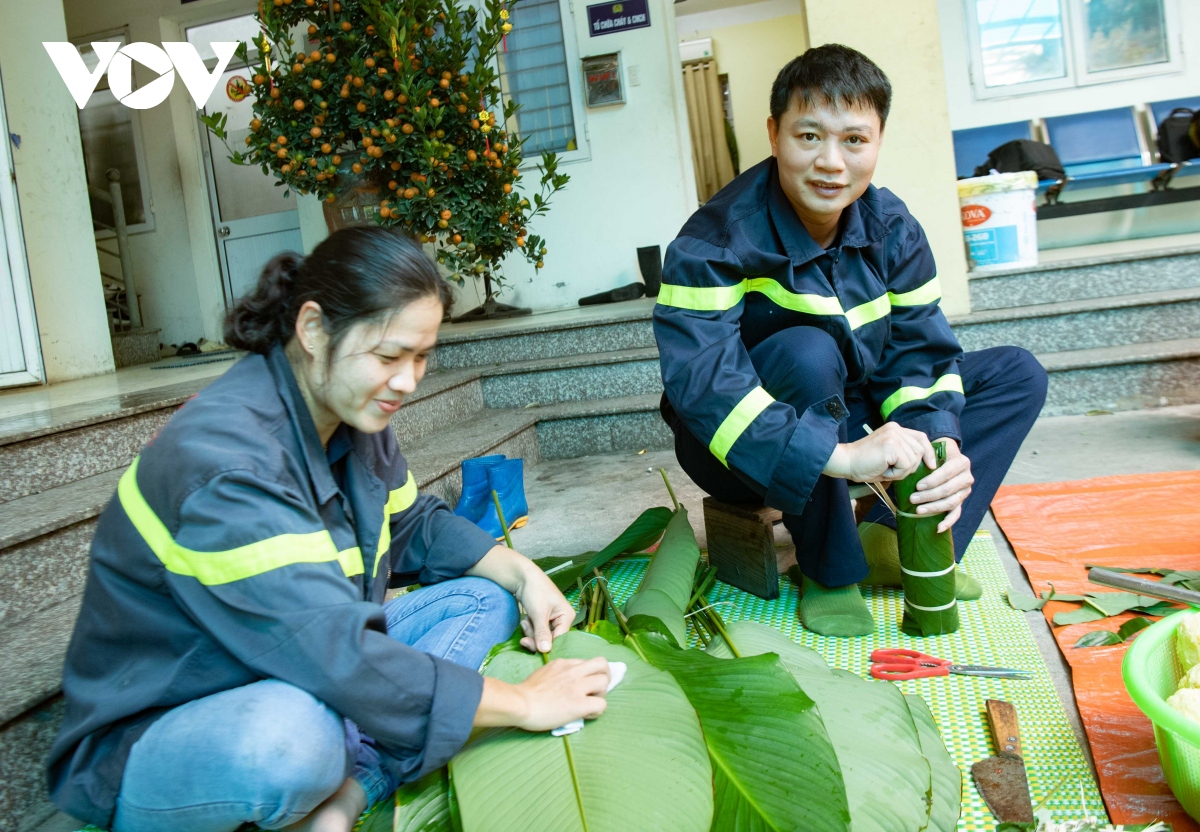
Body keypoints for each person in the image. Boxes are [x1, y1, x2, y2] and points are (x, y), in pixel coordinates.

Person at [47, 227, 612, 832]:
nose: (408, 381)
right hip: (176, 722)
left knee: (487, 594)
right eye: (390, 356)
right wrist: (527, 702)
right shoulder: (228, 463)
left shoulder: (353, 412)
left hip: (300, 663)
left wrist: (524, 574)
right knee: (294, 740)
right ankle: (352, 773)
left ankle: (354, 785)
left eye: (421, 357)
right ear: (313, 329)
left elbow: (411, 524)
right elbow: (337, 655)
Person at [654, 44, 1047, 637]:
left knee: (1016, 372)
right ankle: (830, 569)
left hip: (844, 407)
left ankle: (893, 543)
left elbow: (915, 351)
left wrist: (938, 448)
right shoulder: (714, 240)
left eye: (854, 140)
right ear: (773, 133)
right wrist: (840, 458)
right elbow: (705, 387)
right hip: (730, 444)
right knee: (806, 350)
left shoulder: (892, 227)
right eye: (809, 137)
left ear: (879, 141)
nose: (830, 163)